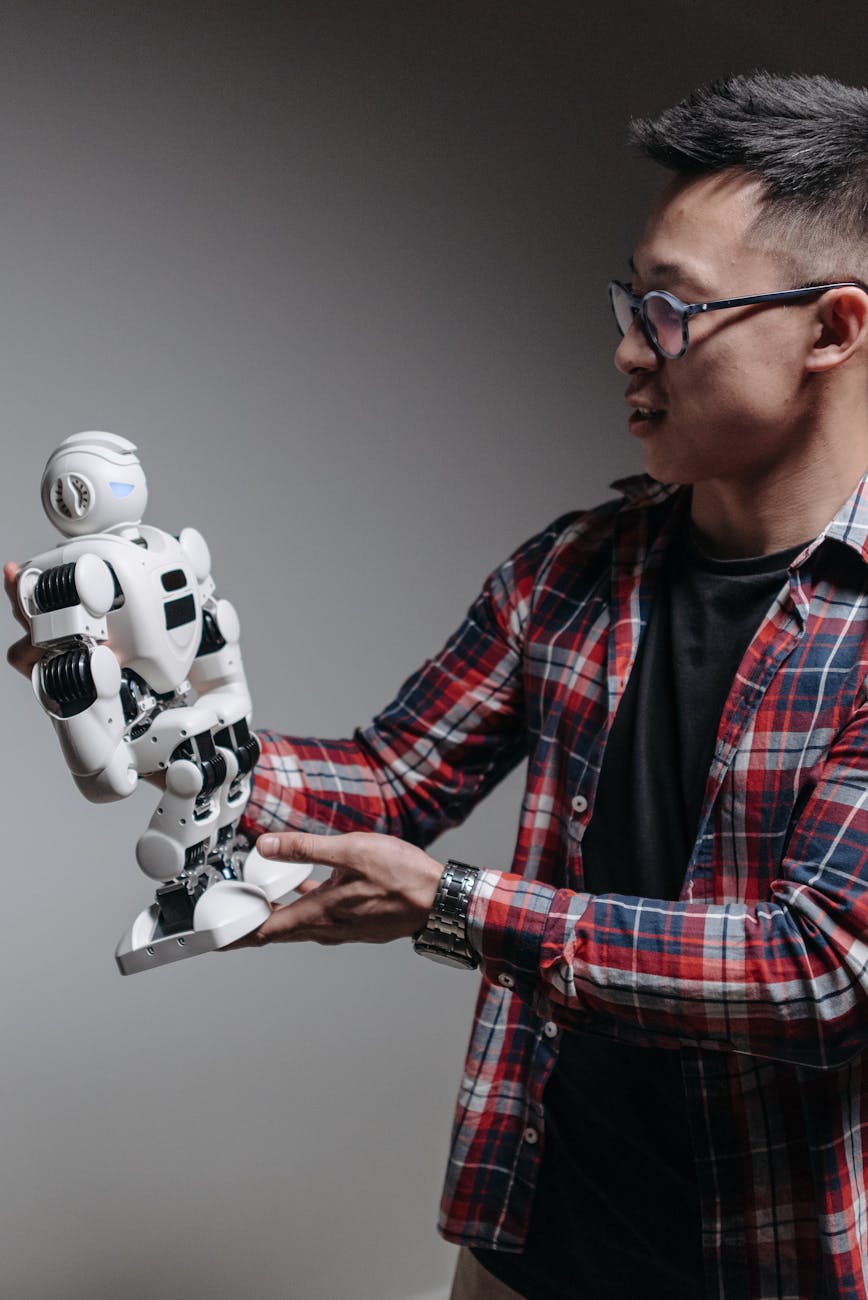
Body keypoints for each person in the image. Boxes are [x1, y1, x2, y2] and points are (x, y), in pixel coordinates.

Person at [9, 69, 868, 1299]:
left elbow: (818, 967)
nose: (628, 345)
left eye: (674, 311)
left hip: (772, 1262)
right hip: (529, 1235)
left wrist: (456, 906)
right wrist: (154, 712)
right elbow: (390, 782)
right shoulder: (571, 568)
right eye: (630, 299)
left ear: (832, 328)